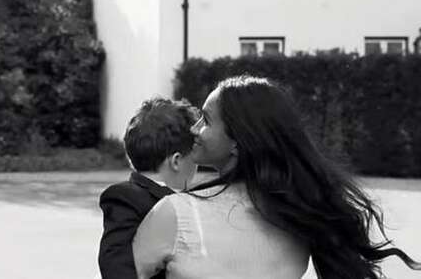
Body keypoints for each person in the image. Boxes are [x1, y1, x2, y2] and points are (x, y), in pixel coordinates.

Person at [133, 75, 420, 279]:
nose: (194, 130)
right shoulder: (299, 217)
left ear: (238, 140)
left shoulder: (176, 214)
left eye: (206, 121)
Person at [98, 97, 198, 279]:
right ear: (176, 161)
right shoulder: (127, 197)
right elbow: (114, 261)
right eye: (194, 158)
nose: (197, 166)